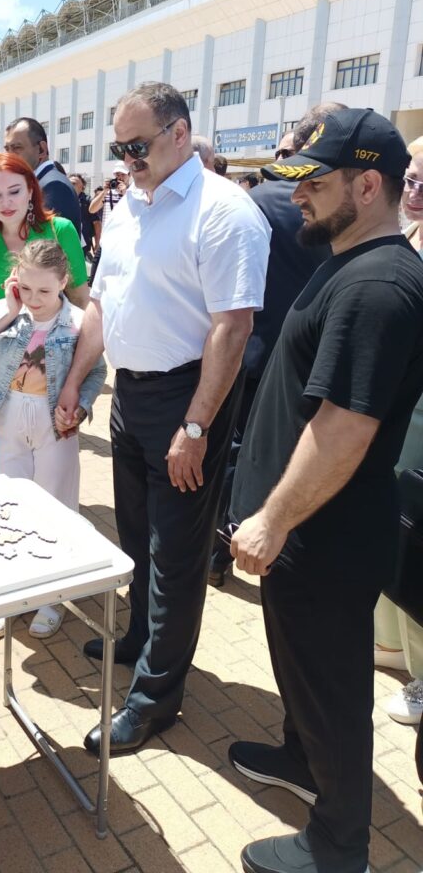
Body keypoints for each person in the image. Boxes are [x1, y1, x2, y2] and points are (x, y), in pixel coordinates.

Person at [228, 108, 423, 873]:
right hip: (308, 532)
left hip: (326, 536)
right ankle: (300, 760)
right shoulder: (349, 260)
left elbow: (345, 427)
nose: (297, 197)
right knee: (302, 673)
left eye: (313, 182)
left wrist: (274, 520)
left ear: (368, 184)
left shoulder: (379, 285)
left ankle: (339, 848)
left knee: (334, 690)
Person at [57, 81, 270, 756]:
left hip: (186, 400)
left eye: (137, 145)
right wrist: (76, 384)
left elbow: (232, 329)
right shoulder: (126, 209)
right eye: (118, 148)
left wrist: (198, 427)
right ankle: (143, 644)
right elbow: (101, 306)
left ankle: (154, 701)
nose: (126, 159)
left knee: (176, 557)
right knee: (139, 536)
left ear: (181, 132)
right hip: (131, 397)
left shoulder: (224, 212)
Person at [0, 240, 106, 638]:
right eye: (26, 289)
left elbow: (96, 371)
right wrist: (7, 313)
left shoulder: (78, 321)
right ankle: (14, 591)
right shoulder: (7, 311)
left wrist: (82, 405)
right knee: (10, 503)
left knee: (57, 504)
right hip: (7, 415)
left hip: (54, 421)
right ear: (14, 281)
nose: (34, 299)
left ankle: (52, 594)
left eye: (44, 290)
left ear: (63, 281)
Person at [208, 122, 332, 586]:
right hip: (305, 356)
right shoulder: (329, 213)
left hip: (251, 349)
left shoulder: (252, 201)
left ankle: (220, 551)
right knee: (286, 449)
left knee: (236, 449)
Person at [0, 152, 89, 508]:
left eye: (15, 191)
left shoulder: (59, 231)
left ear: (32, 191)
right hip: (0, 378)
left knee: (56, 486)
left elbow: (82, 301)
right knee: (8, 484)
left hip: (56, 376)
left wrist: (78, 377)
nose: (6, 202)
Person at [373, 140, 423, 727]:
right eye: (408, 179)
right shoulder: (406, 238)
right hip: (397, 411)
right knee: (394, 527)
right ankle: (391, 645)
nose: (411, 191)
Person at [3, 118, 82, 233]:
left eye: (17, 148)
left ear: (41, 149)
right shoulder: (39, 182)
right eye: (7, 149)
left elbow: (48, 246)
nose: (9, 156)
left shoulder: (54, 186)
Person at [69, 172, 95, 259]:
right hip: (66, 240)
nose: (71, 185)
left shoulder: (88, 201)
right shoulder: (63, 199)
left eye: (74, 183)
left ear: (82, 187)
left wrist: (97, 244)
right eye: (69, 183)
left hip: (83, 245)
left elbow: (97, 224)